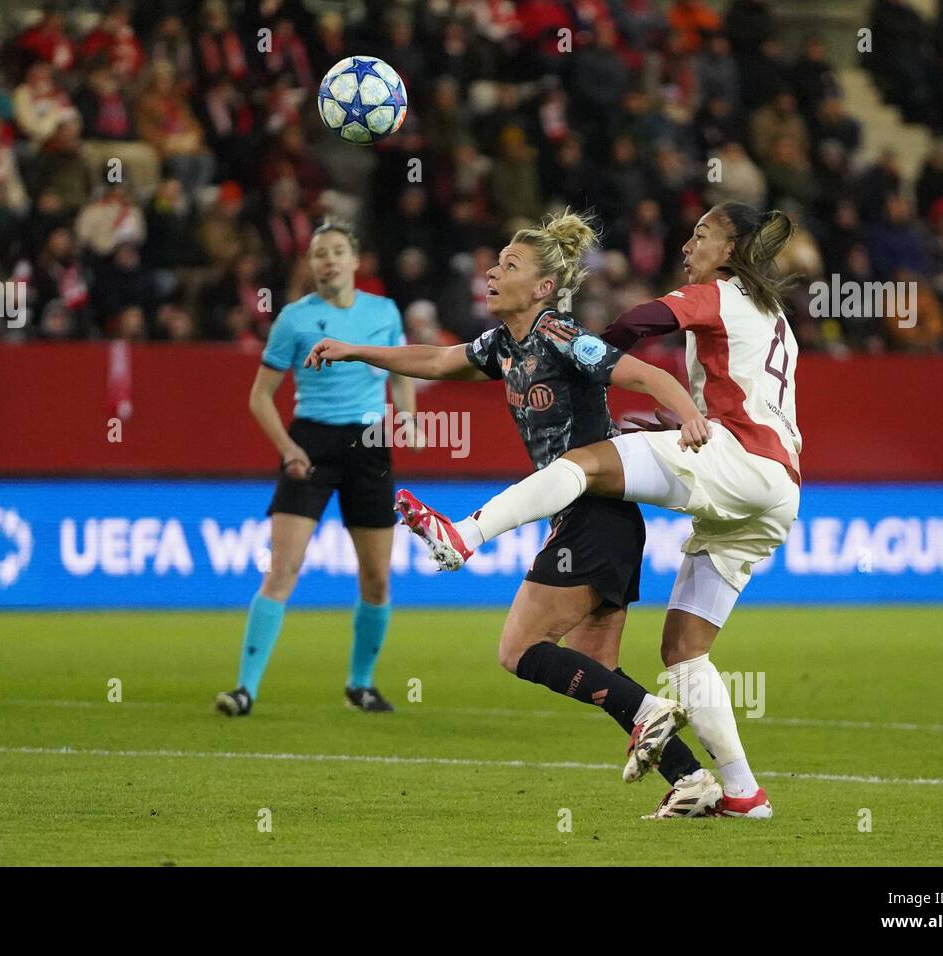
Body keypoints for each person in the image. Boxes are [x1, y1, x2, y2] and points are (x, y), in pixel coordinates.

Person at [305, 210, 723, 818]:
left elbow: (638, 370)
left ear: (543, 288)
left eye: (509, 265)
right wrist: (356, 352)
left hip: (595, 510)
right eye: (496, 261)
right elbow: (439, 360)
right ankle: (691, 780)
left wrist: (688, 412)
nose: (492, 272)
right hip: (598, 521)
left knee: (518, 649)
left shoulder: (559, 335)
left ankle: (650, 714)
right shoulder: (504, 343)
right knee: (599, 667)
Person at [390, 202, 801, 819]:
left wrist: (586, 353)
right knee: (683, 652)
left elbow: (643, 320)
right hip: (779, 488)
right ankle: (738, 792)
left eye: (702, 235)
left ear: (733, 250)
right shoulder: (776, 319)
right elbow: (440, 361)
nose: (688, 244)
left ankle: (465, 533)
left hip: (739, 458)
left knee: (583, 464)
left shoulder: (718, 293)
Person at [215, 222, 416, 717]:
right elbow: (260, 396)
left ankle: (361, 685)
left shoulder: (383, 310)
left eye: (337, 251)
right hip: (311, 444)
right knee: (281, 569)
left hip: (369, 446)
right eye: (319, 253)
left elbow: (404, 368)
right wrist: (287, 448)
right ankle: (245, 690)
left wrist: (406, 414)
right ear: (311, 266)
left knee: (377, 580)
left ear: (354, 260)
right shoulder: (293, 319)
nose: (328, 260)